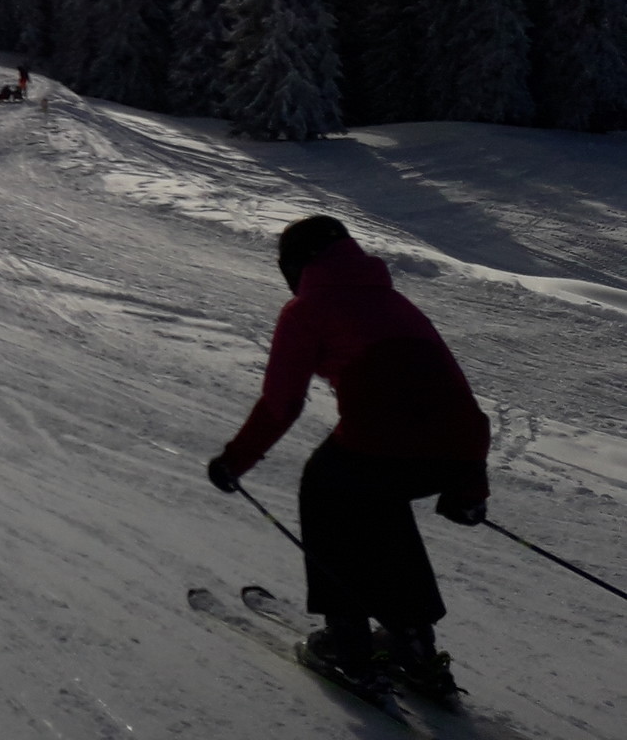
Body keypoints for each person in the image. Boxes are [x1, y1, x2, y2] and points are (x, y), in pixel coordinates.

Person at [207, 217, 489, 699]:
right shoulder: (396, 303)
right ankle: (413, 647)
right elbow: (456, 398)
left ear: (296, 266)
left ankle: (349, 646)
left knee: (327, 490)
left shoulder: (306, 309)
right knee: (380, 507)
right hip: (452, 450)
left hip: (381, 445)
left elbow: (282, 404)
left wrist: (235, 460)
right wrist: (468, 484)